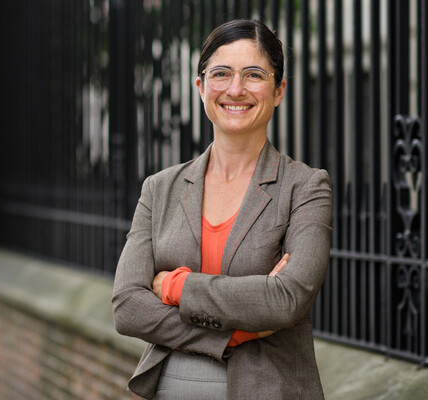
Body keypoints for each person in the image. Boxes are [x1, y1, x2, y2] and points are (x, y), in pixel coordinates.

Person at [112, 19, 332, 399]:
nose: (235, 89)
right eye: (221, 74)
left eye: (254, 75)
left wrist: (176, 286)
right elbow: (128, 307)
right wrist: (237, 331)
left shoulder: (305, 187)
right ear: (200, 87)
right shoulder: (159, 188)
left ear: (278, 90)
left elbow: (286, 300)